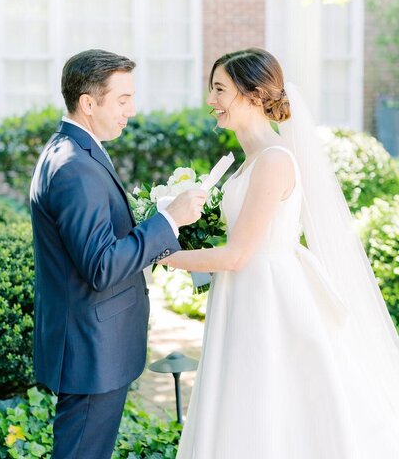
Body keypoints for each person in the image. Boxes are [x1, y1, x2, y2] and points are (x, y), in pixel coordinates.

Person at [161, 48, 399, 458]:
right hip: (247, 290)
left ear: (253, 95)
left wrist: (159, 253)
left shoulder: (273, 161)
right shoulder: (247, 162)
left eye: (220, 89)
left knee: (272, 401)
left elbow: (237, 256)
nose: (211, 101)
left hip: (269, 296)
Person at [30, 49, 207, 459]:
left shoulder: (74, 150)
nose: (132, 109)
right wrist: (168, 221)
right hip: (92, 349)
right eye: (123, 99)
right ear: (88, 103)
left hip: (93, 343)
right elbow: (102, 266)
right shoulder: (73, 165)